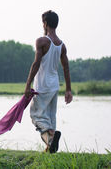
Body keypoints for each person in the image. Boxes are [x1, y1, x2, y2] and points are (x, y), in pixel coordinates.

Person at [24, 10, 73, 153]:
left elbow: (36, 64)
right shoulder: (61, 45)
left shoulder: (42, 41)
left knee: (36, 115)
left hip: (42, 85)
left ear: (45, 23)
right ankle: (49, 146)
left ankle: (51, 139)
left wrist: (28, 85)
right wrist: (68, 89)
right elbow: (66, 67)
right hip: (54, 85)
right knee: (51, 116)